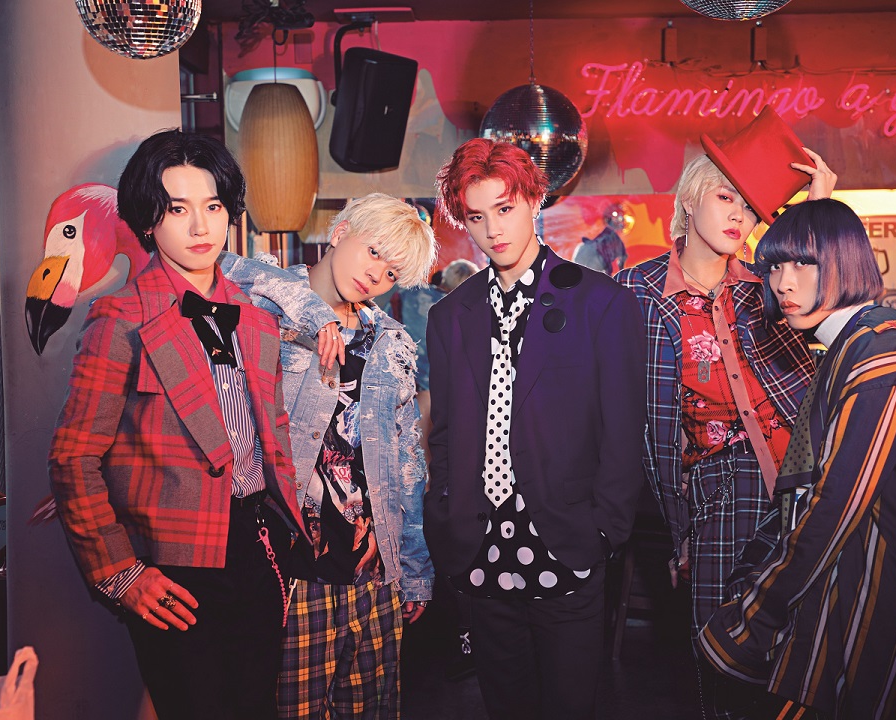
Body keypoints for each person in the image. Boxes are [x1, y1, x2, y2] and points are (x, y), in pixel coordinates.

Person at [48, 129, 304, 720]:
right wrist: (121, 573)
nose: (200, 227)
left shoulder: (254, 317)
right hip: (174, 562)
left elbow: (272, 433)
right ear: (148, 220)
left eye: (212, 206)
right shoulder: (120, 317)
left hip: (259, 547)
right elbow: (73, 457)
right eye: (177, 209)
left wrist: (287, 528)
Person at [614, 106, 837, 716]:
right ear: (689, 201)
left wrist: (817, 211)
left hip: (804, 480)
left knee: (801, 659)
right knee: (723, 660)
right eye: (724, 197)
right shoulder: (635, 293)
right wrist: (678, 527)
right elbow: (630, 422)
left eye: (749, 205)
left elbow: (836, 302)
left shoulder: (770, 285)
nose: (739, 215)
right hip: (717, 489)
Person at [425, 138, 646, 720]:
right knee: (506, 708)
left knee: (570, 706)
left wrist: (604, 533)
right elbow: (444, 434)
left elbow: (624, 432)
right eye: (477, 216)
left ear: (532, 199)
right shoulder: (450, 317)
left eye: (505, 208)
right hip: (479, 546)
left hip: (569, 542)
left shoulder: (601, 304)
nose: (494, 229)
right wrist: (446, 518)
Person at [699, 198, 896, 719]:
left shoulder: (882, 348)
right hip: (831, 591)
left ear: (844, 260)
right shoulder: (848, 345)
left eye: (802, 263)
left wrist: (758, 612)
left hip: (867, 599)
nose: (783, 283)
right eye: (774, 267)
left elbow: (836, 502)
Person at [218, 193, 437, 719]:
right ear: (339, 232)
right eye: (373, 251)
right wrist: (314, 314)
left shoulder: (392, 344)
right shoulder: (268, 306)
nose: (376, 275)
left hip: (373, 573)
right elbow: (220, 266)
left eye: (391, 273)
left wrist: (414, 568)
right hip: (292, 570)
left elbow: (407, 465)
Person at [391, 257, 480, 458]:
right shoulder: (461, 310)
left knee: (416, 446)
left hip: (401, 375)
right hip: (436, 384)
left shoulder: (411, 294)